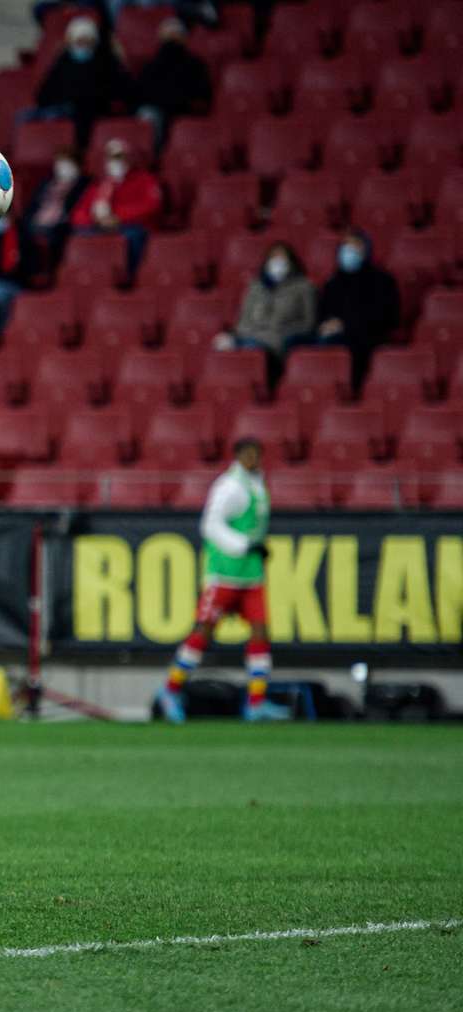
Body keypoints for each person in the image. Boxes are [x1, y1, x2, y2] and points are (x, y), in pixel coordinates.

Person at [155, 437, 288, 723]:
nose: (253, 459)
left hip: (251, 576)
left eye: (257, 454)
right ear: (238, 456)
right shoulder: (230, 487)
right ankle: (170, 689)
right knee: (203, 632)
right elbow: (210, 525)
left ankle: (256, 702)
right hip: (225, 573)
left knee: (261, 632)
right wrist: (244, 545)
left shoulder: (255, 483)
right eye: (248, 454)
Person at [215, 241, 315, 382]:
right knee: (221, 345)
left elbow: (308, 324)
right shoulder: (255, 287)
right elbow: (243, 321)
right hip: (249, 338)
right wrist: (242, 336)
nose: (277, 262)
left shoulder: (304, 287)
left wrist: (281, 331)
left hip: (277, 345)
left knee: (249, 352)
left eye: (282, 258)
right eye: (273, 258)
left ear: (291, 261)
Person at [315, 230, 400, 390]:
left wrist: (345, 324)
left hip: (370, 335)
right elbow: (322, 313)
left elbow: (386, 316)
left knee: (343, 345)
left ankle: (349, 393)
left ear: (366, 250)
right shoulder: (333, 283)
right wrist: (325, 325)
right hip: (334, 335)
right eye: (345, 246)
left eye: (355, 246)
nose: (349, 251)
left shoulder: (382, 281)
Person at [32, 15, 131, 144]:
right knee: (24, 117)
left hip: (91, 110)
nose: (82, 46)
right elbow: (42, 95)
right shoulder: (63, 62)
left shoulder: (106, 62)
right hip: (61, 107)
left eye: (87, 42)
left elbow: (124, 91)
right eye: (79, 41)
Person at [69, 138, 161, 272]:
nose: (116, 162)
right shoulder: (98, 185)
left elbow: (152, 205)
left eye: (120, 157)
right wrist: (95, 219)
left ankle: (130, 276)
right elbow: (78, 214)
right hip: (100, 226)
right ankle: (89, 275)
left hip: (131, 225)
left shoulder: (145, 180)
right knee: (79, 234)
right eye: (112, 158)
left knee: (133, 235)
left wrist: (117, 216)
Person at [132, 17, 210, 146]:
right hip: (158, 111)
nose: (171, 40)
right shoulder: (150, 65)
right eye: (168, 36)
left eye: (175, 35)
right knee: (147, 115)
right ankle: (153, 158)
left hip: (185, 111)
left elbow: (203, 95)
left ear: (184, 39)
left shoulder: (195, 64)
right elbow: (140, 94)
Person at [19, 148, 88, 276]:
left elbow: (77, 208)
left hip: (61, 224)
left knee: (55, 235)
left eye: (67, 163)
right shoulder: (46, 184)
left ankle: (49, 275)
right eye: (59, 163)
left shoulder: (83, 184)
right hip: (37, 222)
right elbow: (32, 206)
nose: (62, 167)